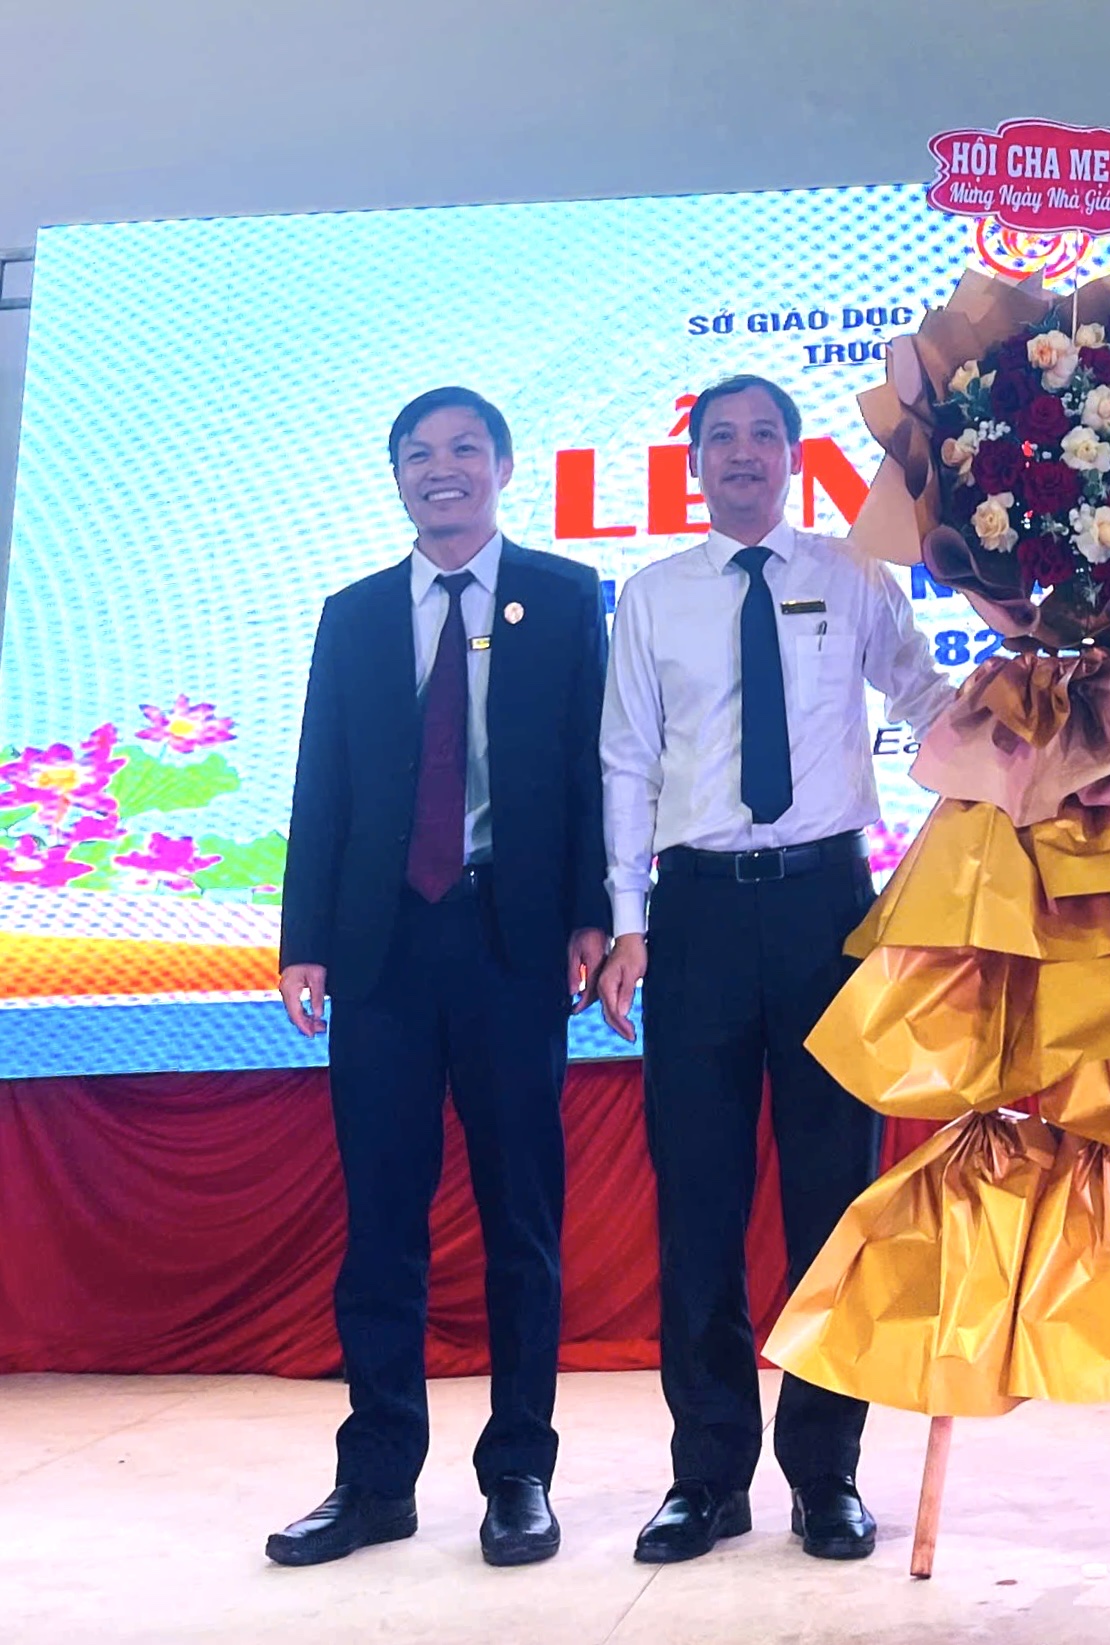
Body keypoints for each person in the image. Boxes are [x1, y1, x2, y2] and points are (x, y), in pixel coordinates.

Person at [597, 373, 956, 1564]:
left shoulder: (849, 574)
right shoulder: (653, 596)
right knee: (696, 1205)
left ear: (794, 458)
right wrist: (628, 920)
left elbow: (923, 695)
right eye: (721, 438)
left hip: (824, 910)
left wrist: (1036, 723)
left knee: (831, 1201)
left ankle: (825, 1471)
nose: (742, 453)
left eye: (763, 435)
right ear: (694, 462)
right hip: (696, 914)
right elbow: (626, 761)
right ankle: (705, 1476)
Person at [269, 386, 611, 1569]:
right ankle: (374, 1481)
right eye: (418, 454)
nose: (441, 468)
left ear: (504, 466)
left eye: (465, 448)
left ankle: (518, 1474)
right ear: (398, 477)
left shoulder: (564, 597)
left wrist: (591, 912)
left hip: (510, 943)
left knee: (522, 1222)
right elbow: (322, 778)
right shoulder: (355, 614)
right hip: (379, 955)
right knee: (381, 1226)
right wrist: (303, 938)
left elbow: (591, 768)